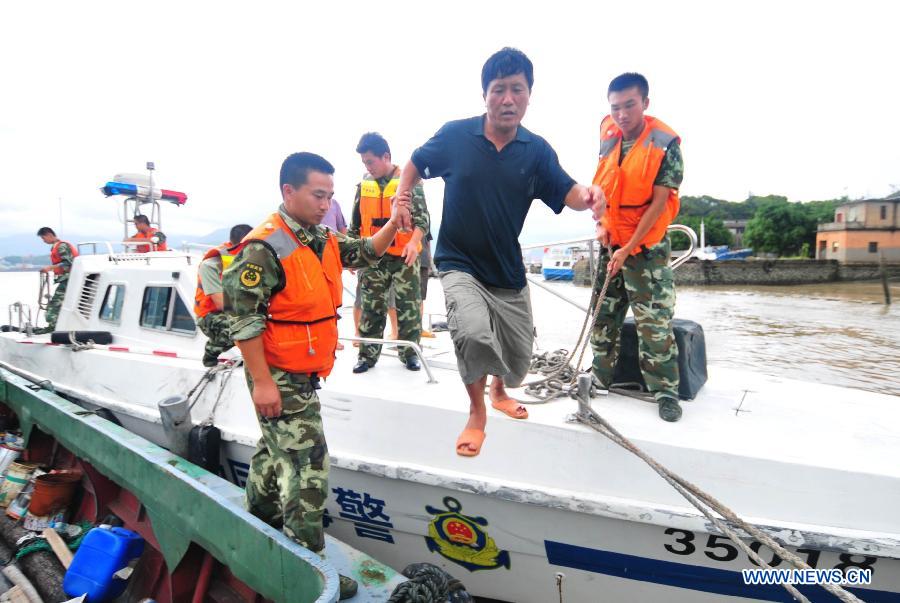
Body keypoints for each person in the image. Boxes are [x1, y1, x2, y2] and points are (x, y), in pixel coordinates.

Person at [395, 48, 603, 456]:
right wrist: (401, 195)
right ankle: (476, 412)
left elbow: (569, 192)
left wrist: (589, 195)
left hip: (506, 268)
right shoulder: (456, 136)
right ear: (485, 95)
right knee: (472, 333)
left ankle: (498, 389)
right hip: (459, 262)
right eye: (499, 90)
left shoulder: (536, 150)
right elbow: (416, 162)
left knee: (518, 358)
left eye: (517, 90)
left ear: (529, 95)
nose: (508, 99)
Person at [222, 152, 409, 600]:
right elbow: (242, 319)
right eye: (317, 194)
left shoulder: (320, 236)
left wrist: (393, 225)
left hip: (305, 372)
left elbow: (363, 252)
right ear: (289, 192)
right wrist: (263, 383)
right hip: (280, 375)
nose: (326, 203)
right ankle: (309, 569)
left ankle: (256, 519)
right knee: (309, 469)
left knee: (274, 453)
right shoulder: (264, 247)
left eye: (329, 195)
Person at [589, 72, 684, 422]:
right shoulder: (608, 135)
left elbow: (659, 204)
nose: (622, 114)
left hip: (646, 249)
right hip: (611, 244)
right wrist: (601, 225)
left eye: (629, 105)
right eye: (615, 108)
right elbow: (602, 187)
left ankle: (665, 392)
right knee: (603, 316)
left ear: (645, 102)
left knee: (653, 323)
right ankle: (599, 376)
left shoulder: (664, 143)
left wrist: (628, 247)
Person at [348, 132, 430, 373]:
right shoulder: (363, 186)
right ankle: (367, 356)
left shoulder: (410, 182)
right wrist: (354, 253)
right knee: (371, 307)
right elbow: (355, 223)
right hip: (374, 256)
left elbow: (423, 221)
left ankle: (410, 354)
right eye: (364, 163)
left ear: (386, 157)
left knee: (409, 307)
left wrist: (413, 243)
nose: (367, 167)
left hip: (404, 256)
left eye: (370, 161)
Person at [194, 224, 252, 367]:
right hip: (210, 315)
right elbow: (221, 304)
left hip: (238, 309)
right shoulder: (210, 266)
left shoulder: (250, 260)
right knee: (238, 327)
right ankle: (210, 353)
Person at [35, 227, 78, 333]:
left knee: (54, 305)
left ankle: (53, 327)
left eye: (43, 238)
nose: (43, 241)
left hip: (68, 279)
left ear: (49, 235)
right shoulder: (56, 246)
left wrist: (50, 268)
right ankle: (57, 326)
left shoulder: (61, 246)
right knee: (59, 304)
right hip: (67, 279)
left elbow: (68, 263)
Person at [320, 199, 348, 350]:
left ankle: (333, 338)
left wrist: (345, 257)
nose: (323, 204)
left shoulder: (335, 204)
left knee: (334, 301)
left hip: (331, 257)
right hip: (311, 258)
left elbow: (342, 229)